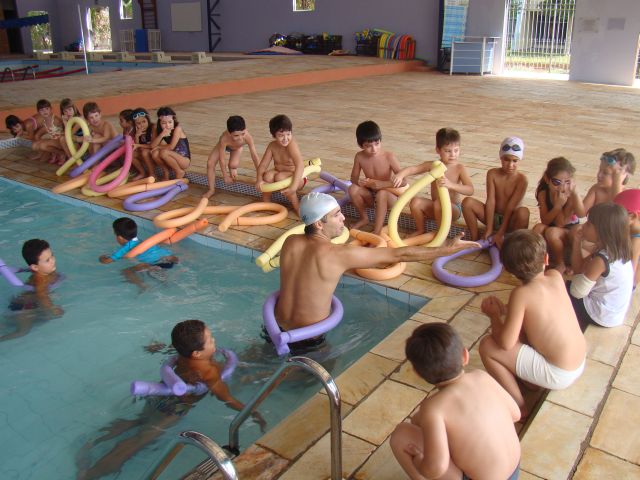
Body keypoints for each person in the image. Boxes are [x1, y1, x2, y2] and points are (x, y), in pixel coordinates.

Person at [274, 192, 479, 342]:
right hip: (308, 339)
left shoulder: (290, 242)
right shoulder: (337, 255)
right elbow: (399, 254)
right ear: (319, 224)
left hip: (275, 328)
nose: (343, 218)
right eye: (336, 215)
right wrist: (446, 250)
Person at [76, 319, 266, 480]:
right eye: (210, 339)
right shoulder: (208, 372)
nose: (214, 340)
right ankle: (90, 474)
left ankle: (93, 441)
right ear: (197, 353)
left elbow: (171, 351)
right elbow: (226, 398)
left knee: (140, 420)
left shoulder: (181, 356)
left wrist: (155, 348)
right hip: (174, 409)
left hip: (159, 396)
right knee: (139, 440)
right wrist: (252, 412)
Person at [390, 323, 521, 480]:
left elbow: (436, 468)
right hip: (514, 472)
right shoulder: (481, 377)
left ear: (418, 373)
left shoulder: (433, 408)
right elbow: (516, 414)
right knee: (421, 421)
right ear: (465, 355)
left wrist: (419, 462)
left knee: (400, 434)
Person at [479, 230, 586, 416]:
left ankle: (519, 406)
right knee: (522, 327)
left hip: (559, 373)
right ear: (546, 258)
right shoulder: (555, 276)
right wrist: (505, 309)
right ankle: (531, 382)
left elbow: (505, 343)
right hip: (578, 363)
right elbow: (538, 309)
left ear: (508, 269)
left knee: (487, 346)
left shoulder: (521, 294)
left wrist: (494, 316)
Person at [392, 127, 473, 236]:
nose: (453, 155)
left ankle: (441, 235)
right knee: (415, 202)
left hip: (453, 209)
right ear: (438, 150)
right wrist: (400, 175)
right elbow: (413, 169)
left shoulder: (459, 168)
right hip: (436, 207)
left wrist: (451, 185)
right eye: (448, 151)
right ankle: (420, 230)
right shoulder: (432, 165)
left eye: (456, 150)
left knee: (439, 203)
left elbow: (470, 190)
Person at [568, 202, 634, 330]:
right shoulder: (617, 250)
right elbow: (579, 269)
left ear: (602, 231)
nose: (583, 226)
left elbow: (577, 292)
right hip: (613, 314)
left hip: (601, 315)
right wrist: (577, 242)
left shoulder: (601, 260)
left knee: (558, 290)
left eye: (588, 224)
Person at [462, 137, 530, 248]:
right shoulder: (492, 174)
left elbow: (510, 207)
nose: (510, 165)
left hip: (510, 220)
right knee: (467, 202)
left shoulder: (522, 180)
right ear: (501, 157)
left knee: (524, 213)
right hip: (493, 217)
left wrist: (501, 232)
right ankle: (475, 240)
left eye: (515, 161)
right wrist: (489, 228)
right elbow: (491, 201)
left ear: (519, 160)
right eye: (506, 160)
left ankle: (514, 246)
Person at [347, 120, 406, 234]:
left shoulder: (389, 157)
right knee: (352, 188)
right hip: (371, 195)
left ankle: (377, 230)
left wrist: (383, 184)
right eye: (368, 146)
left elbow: (404, 181)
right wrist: (359, 182)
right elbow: (353, 179)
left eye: (377, 143)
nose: (374, 149)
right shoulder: (359, 157)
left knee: (382, 193)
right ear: (360, 145)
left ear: (380, 140)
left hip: (389, 197)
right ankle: (364, 218)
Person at [1, 239, 63, 341]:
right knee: (22, 332)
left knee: (6, 325)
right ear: (35, 267)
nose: (53, 260)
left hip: (25, 303)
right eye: (47, 260)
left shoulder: (43, 271)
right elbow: (42, 296)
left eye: (52, 255)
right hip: (24, 308)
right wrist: (53, 309)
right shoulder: (41, 279)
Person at [531, 157, 586, 274]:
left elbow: (562, 223)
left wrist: (562, 203)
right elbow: (545, 221)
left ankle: (561, 263)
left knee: (552, 232)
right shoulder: (543, 193)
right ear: (547, 179)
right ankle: (537, 260)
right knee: (537, 228)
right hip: (553, 228)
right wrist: (557, 206)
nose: (562, 188)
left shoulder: (570, 196)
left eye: (567, 182)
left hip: (568, 231)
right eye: (557, 183)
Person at [99, 217, 178, 292]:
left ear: (119, 238)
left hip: (155, 264)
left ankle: (143, 286)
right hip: (169, 258)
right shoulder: (141, 241)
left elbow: (106, 261)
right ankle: (164, 280)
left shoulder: (124, 249)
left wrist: (102, 258)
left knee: (127, 271)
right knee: (160, 269)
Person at [255, 114, 305, 214]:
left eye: (288, 134)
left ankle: (297, 207)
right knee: (267, 176)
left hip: (297, 177)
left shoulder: (291, 145)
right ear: (274, 135)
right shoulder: (272, 146)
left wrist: (293, 187)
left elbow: (300, 165)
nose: (286, 138)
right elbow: (263, 165)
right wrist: (259, 180)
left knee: (279, 177)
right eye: (281, 135)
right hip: (280, 173)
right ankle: (266, 203)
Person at [203, 115, 261, 198]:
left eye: (242, 134)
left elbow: (255, 156)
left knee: (233, 165)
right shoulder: (224, 138)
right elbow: (222, 159)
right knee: (210, 163)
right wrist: (225, 176)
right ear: (229, 133)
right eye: (236, 135)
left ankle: (232, 168)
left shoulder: (247, 137)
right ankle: (211, 190)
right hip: (224, 146)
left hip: (237, 148)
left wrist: (260, 177)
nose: (240, 138)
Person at [583, 148, 636, 213]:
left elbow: (617, 212)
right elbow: (582, 213)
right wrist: (574, 194)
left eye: (605, 173)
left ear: (621, 177)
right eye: (600, 170)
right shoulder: (596, 189)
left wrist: (617, 182)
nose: (599, 175)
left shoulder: (626, 195)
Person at [150, 106, 191, 180]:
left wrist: (158, 147)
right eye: (164, 123)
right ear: (159, 123)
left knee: (164, 152)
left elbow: (171, 147)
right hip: (172, 158)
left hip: (184, 160)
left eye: (170, 122)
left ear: (174, 120)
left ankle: (179, 171)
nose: (167, 125)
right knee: (154, 153)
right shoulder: (158, 129)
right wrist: (162, 134)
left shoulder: (178, 129)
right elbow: (152, 146)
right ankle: (166, 172)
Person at [614, 189, 640, 286]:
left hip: (625, 286)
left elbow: (630, 273)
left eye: (616, 216)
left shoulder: (636, 240)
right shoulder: (631, 229)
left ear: (632, 217)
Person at [33, 98, 66, 165]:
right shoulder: (44, 121)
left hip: (61, 141)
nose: (45, 111)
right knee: (34, 145)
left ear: (51, 109)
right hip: (54, 140)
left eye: (47, 109)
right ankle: (54, 153)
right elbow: (46, 132)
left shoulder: (56, 120)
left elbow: (65, 130)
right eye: (42, 110)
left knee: (43, 146)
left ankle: (62, 153)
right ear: (38, 112)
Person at [130, 107, 156, 180]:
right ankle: (142, 173)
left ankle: (152, 174)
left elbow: (153, 146)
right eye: (138, 123)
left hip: (156, 151)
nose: (142, 125)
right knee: (131, 154)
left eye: (144, 121)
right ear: (135, 125)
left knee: (144, 152)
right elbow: (137, 148)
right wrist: (137, 136)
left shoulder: (153, 127)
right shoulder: (135, 131)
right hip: (146, 151)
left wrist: (138, 145)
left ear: (148, 120)